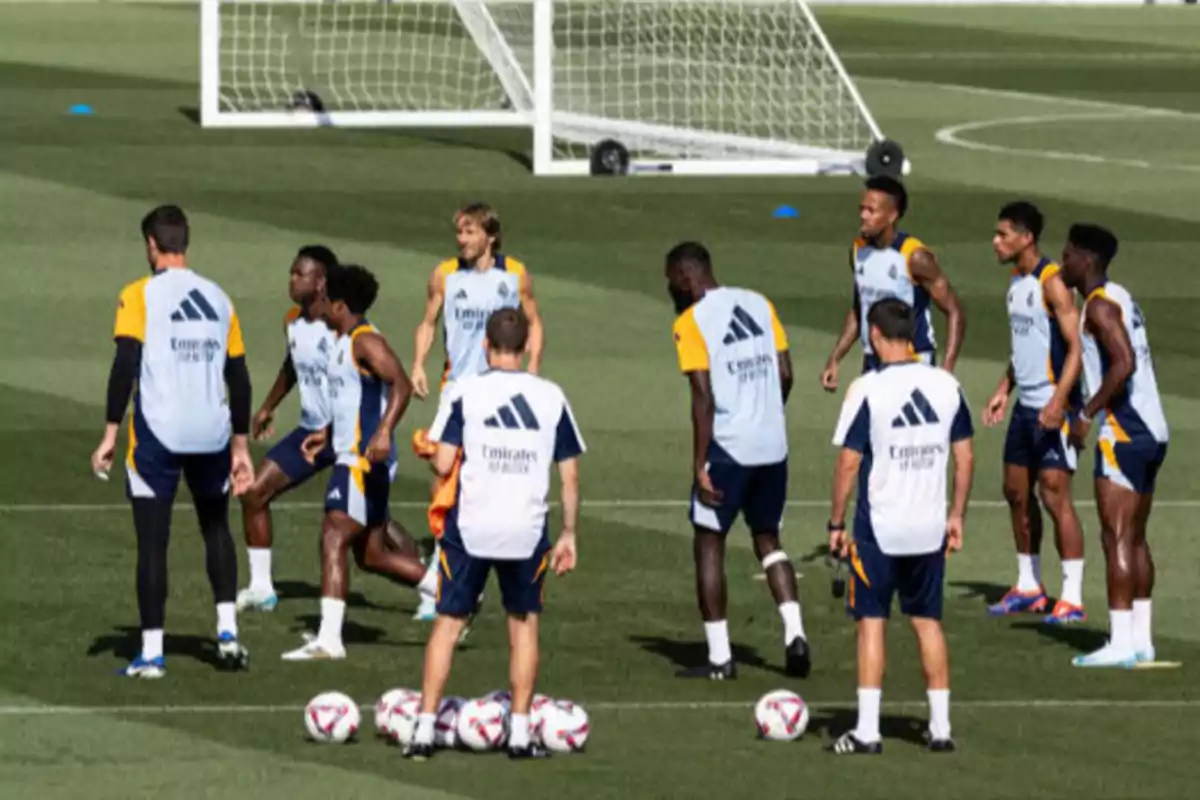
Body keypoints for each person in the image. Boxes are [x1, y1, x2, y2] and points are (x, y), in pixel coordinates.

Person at [404, 308, 582, 761]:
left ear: (486, 345)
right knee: (523, 627)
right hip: (526, 527)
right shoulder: (551, 396)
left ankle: (424, 731)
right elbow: (569, 476)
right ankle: (520, 735)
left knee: (447, 624)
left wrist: (428, 448)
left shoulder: (465, 391)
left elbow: (444, 463)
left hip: (472, 526)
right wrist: (568, 534)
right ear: (525, 348)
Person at [90, 204, 253, 678]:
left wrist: (109, 433)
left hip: (159, 434)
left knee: (153, 543)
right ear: (187, 242)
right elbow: (238, 377)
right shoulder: (219, 298)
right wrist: (240, 445)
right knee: (216, 528)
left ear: (151, 246)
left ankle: (153, 653)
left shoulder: (139, 294)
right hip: (213, 433)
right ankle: (227, 633)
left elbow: (126, 364)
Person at [236, 247, 422, 613]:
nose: (291, 280)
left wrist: (382, 431)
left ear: (322, 282)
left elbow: (387, 381)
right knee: (254, 493)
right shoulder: (292, 320)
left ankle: (430, 585)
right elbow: (292, 365)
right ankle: (261, 587)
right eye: (291, 272)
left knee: (371, 535)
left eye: (299, 274)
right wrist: (269, 406)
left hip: (353, 436)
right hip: (313, 432)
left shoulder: (349, 330)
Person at [827, 298, 974, 755]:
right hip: (929, 527)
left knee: (872, 622)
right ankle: (942, 728)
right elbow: (964, 456)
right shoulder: (947, 385)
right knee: (927, 623)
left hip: (880, 529)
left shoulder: (867, 389)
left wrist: (835, 522)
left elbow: (849, 464)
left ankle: (868, 731)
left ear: (873, 335)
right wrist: (956, 515)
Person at [666, 242, 810, 680]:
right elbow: (786, 374)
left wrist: (699, 464)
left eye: (672, 283)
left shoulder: (691, 322)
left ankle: (719, 657)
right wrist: (766, 415)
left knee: (709, 542)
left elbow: (702, 397)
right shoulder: (759, 302)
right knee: (769, 539)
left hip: (729, 447)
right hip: (773, 444)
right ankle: (795, 633)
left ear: (687, 278)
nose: (672, 291)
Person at [281, 264, 427, 660]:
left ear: (340, 304)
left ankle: (329, 640)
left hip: (361, 461)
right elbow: (351, 399)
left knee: (333, 534)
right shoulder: (342, 341)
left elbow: (401, 383)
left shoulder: (365, 342)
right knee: (372, 555)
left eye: (327, 299)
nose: (321, 305)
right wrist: (326, 433)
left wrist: (382, 433)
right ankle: (452, 593)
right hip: (351, 454)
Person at [409, 203, 545, 623]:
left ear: (490, 235)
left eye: (469, 233)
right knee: (440, 472)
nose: (461, 240)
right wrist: (418, 362)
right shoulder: (444, 274)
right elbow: (429, 320)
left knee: (494, 472)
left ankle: (493, 560)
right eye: (459, 233)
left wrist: (533, 368)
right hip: (458, 387)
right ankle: (441, 563)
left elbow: (534, 321)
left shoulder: (515, 274)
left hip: (501, 388)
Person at [1060, 224, 1168, 668]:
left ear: (1087, 259)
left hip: (1125, 430)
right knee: (1136, 537)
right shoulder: (1121, 297)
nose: (1062, 262)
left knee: (1116, 536)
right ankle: (1141, 639)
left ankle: (1121, 641)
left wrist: (1086, 414)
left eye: (1067, 255)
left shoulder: (1099, 307)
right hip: (1153, 427)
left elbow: (1121, 364)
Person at [982, 202, 1087, 623]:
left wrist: (1059, 402)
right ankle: (1029, 585)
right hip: (1025, 407)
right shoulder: (1015, 282)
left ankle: (1073, 596)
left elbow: (1076, 348)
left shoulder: (1053, 284)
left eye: (1003, 234)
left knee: (1054, 494)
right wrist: (1003, 388)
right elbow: (1024, 347)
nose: (996, 241)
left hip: (1051, 407)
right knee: (1015, 491)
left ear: (1026, 238)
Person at [820, 176, 965, 389]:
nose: (863, 215)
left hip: (913, 362)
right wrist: (835, 358)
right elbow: (859, 309)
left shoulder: (914, 257)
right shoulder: (858, 250)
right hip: (873, 361)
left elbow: (955, 312)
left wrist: (947, 369)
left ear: (892, 215)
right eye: (862, 208)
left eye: (871, 210)